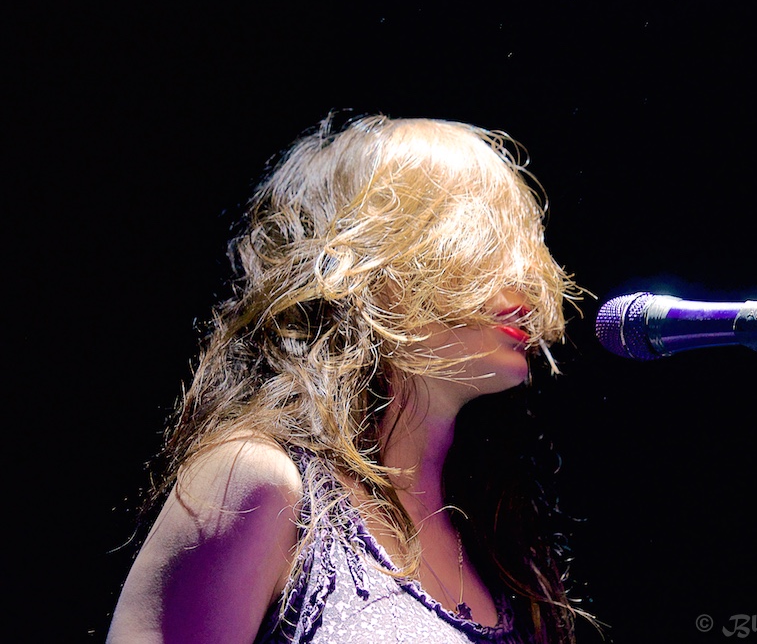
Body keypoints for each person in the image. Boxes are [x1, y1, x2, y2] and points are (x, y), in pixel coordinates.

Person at [107, 112, 591, 643]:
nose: (525, 280)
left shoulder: (499, 541)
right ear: (370, 261)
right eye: (480, 239)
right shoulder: (259, 484)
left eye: (528, 246)